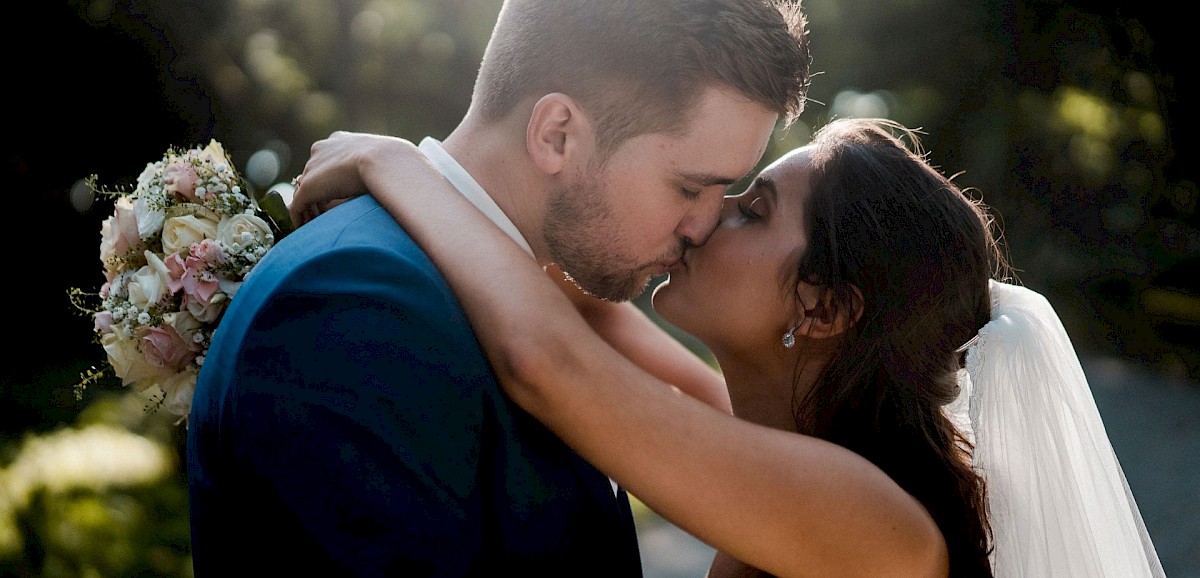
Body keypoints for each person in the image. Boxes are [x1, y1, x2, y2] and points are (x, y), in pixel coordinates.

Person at [289, 118, 1167, 577]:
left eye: (750, 210)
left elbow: (549, 364)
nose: (707, 219)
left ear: (822, 306)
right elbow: (584, 310)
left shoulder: (871, 520)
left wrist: (395, 163)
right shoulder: (779, 443)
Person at [186, 0, 810, 575]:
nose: (704, 227)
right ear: (556, 134)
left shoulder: (495, 292)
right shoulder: (357, 304)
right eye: (689, 186)